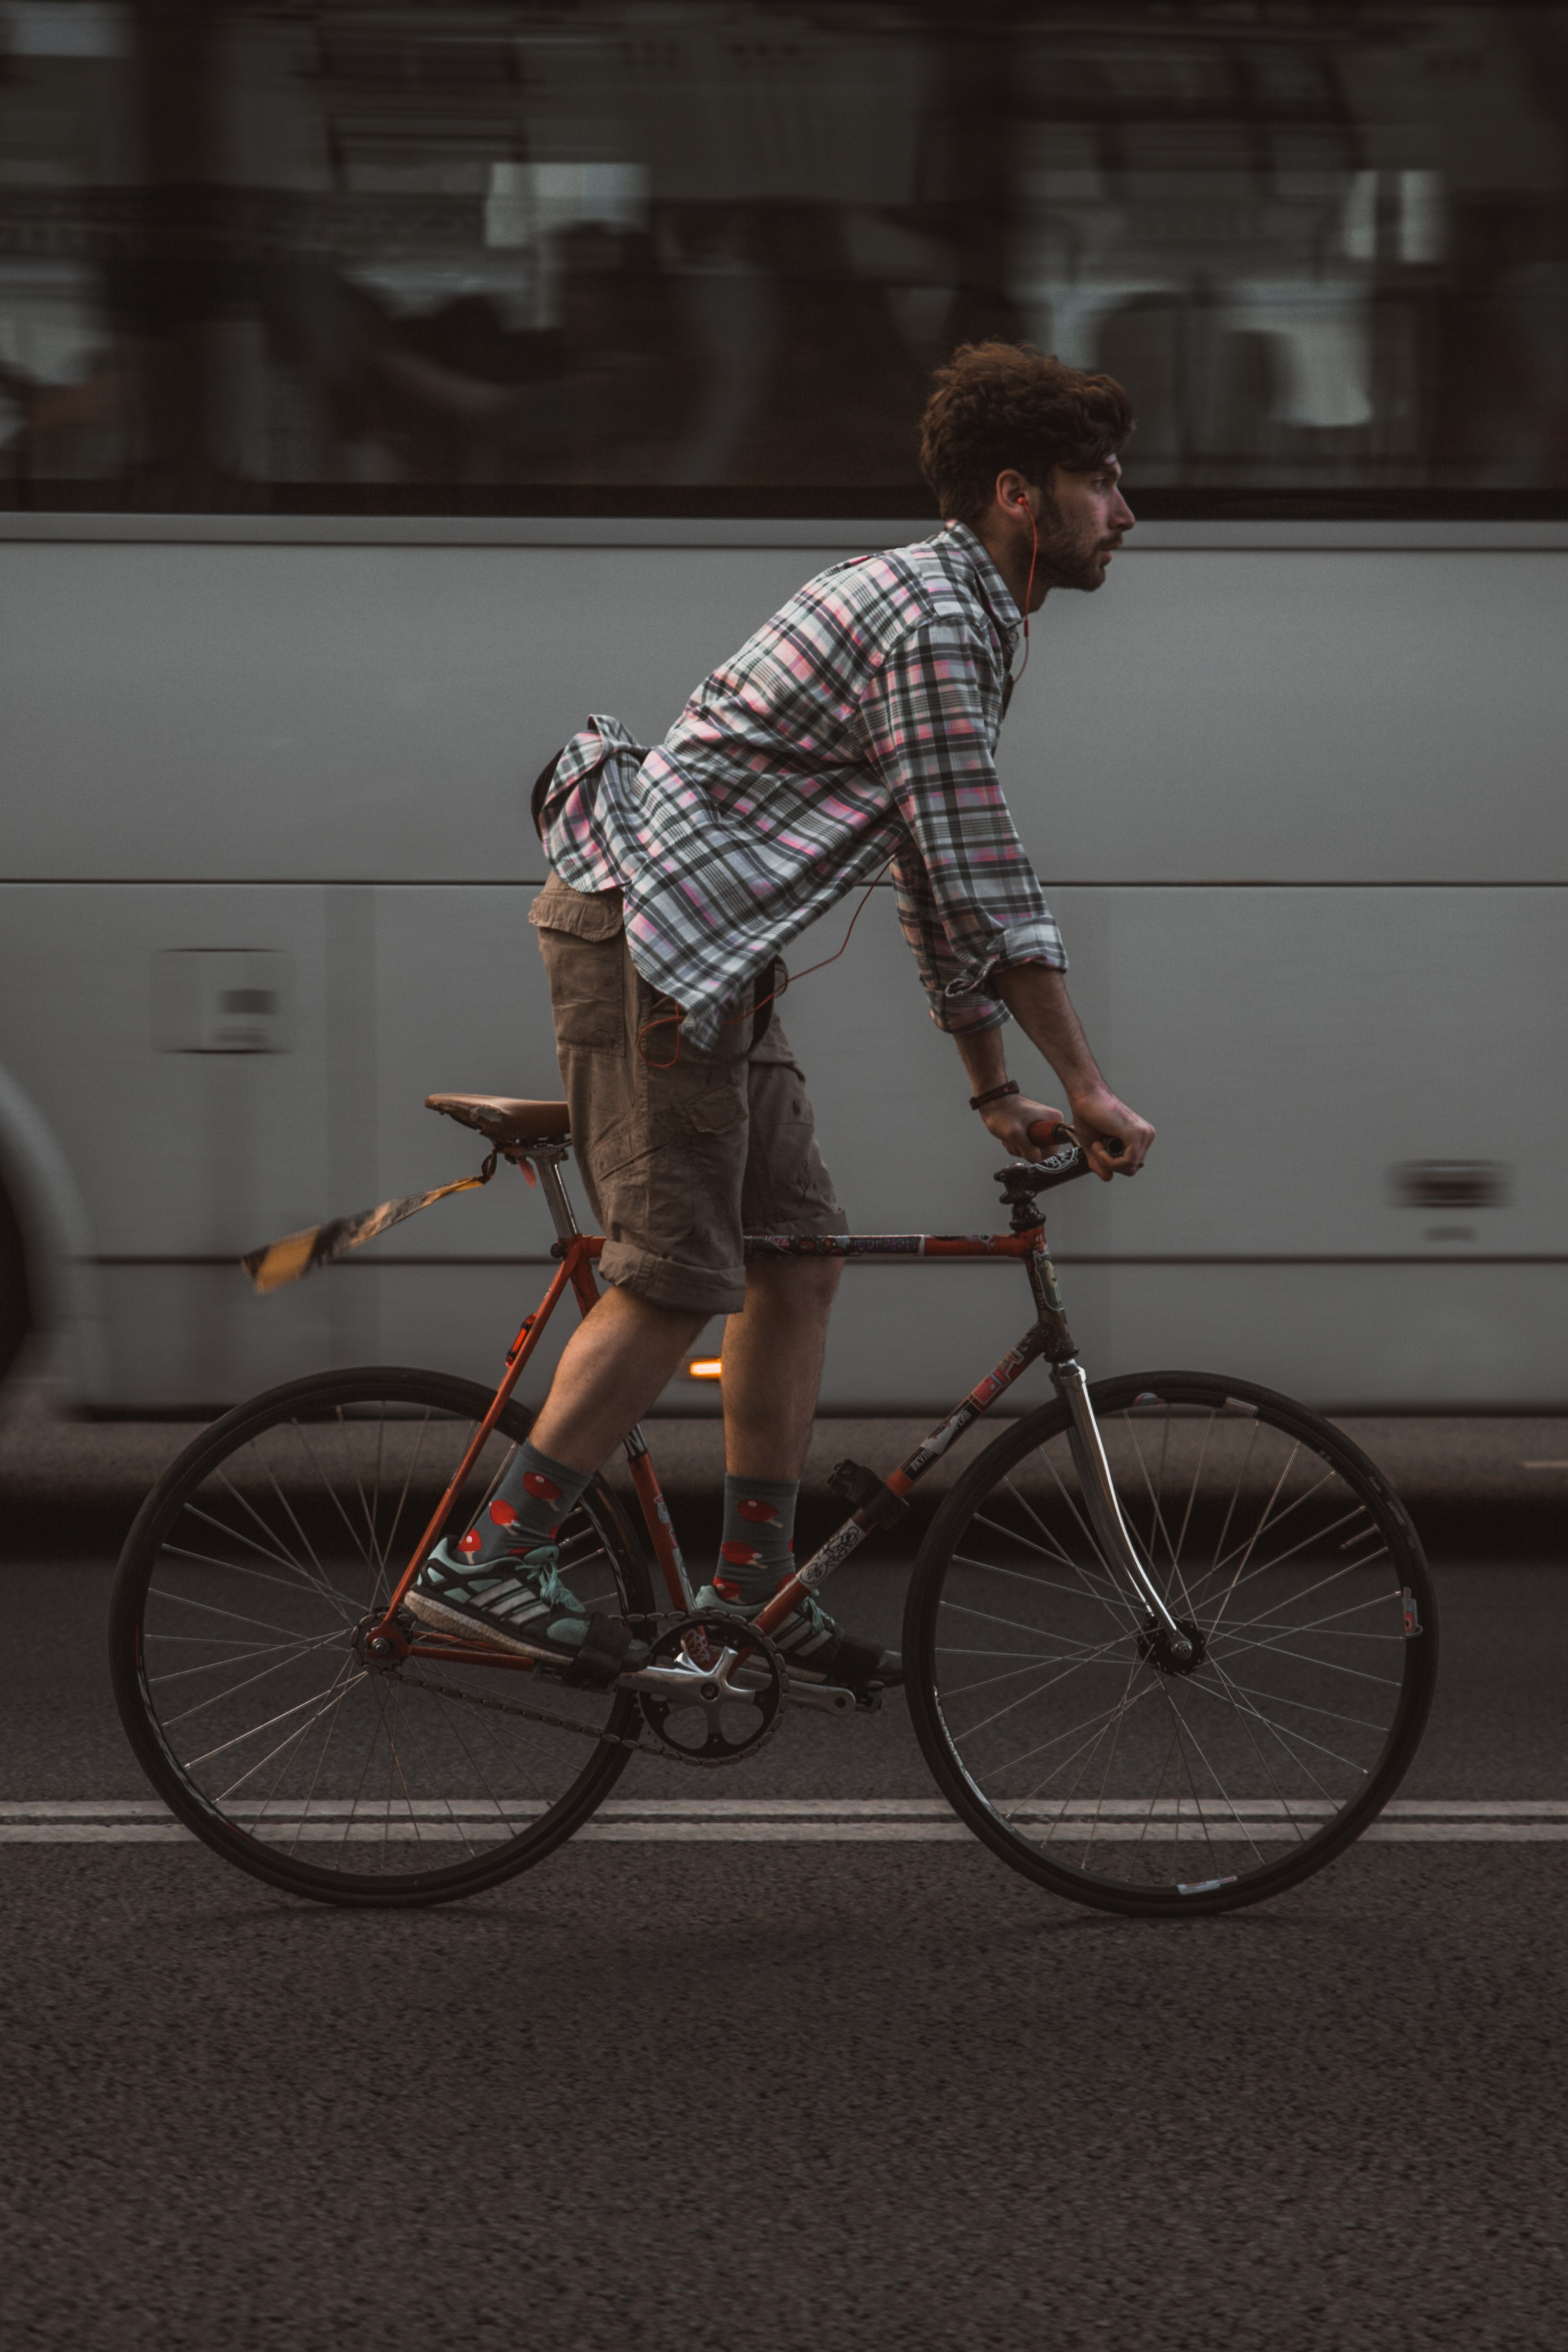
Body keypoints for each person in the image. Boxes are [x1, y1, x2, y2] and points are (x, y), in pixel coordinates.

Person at [408, 341, 1155, 1692]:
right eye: (1099, 480)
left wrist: (993, 1089)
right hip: (652, 945)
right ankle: (490, 1558)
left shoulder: (967, 613)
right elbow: (984, 868)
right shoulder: (936, 617)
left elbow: (933, 875)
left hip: (706, 954)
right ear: (1016, 494)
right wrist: (1089, 1085)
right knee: (679, 1269)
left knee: (799, 1253)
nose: (1127, 509)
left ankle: (755, 1590)